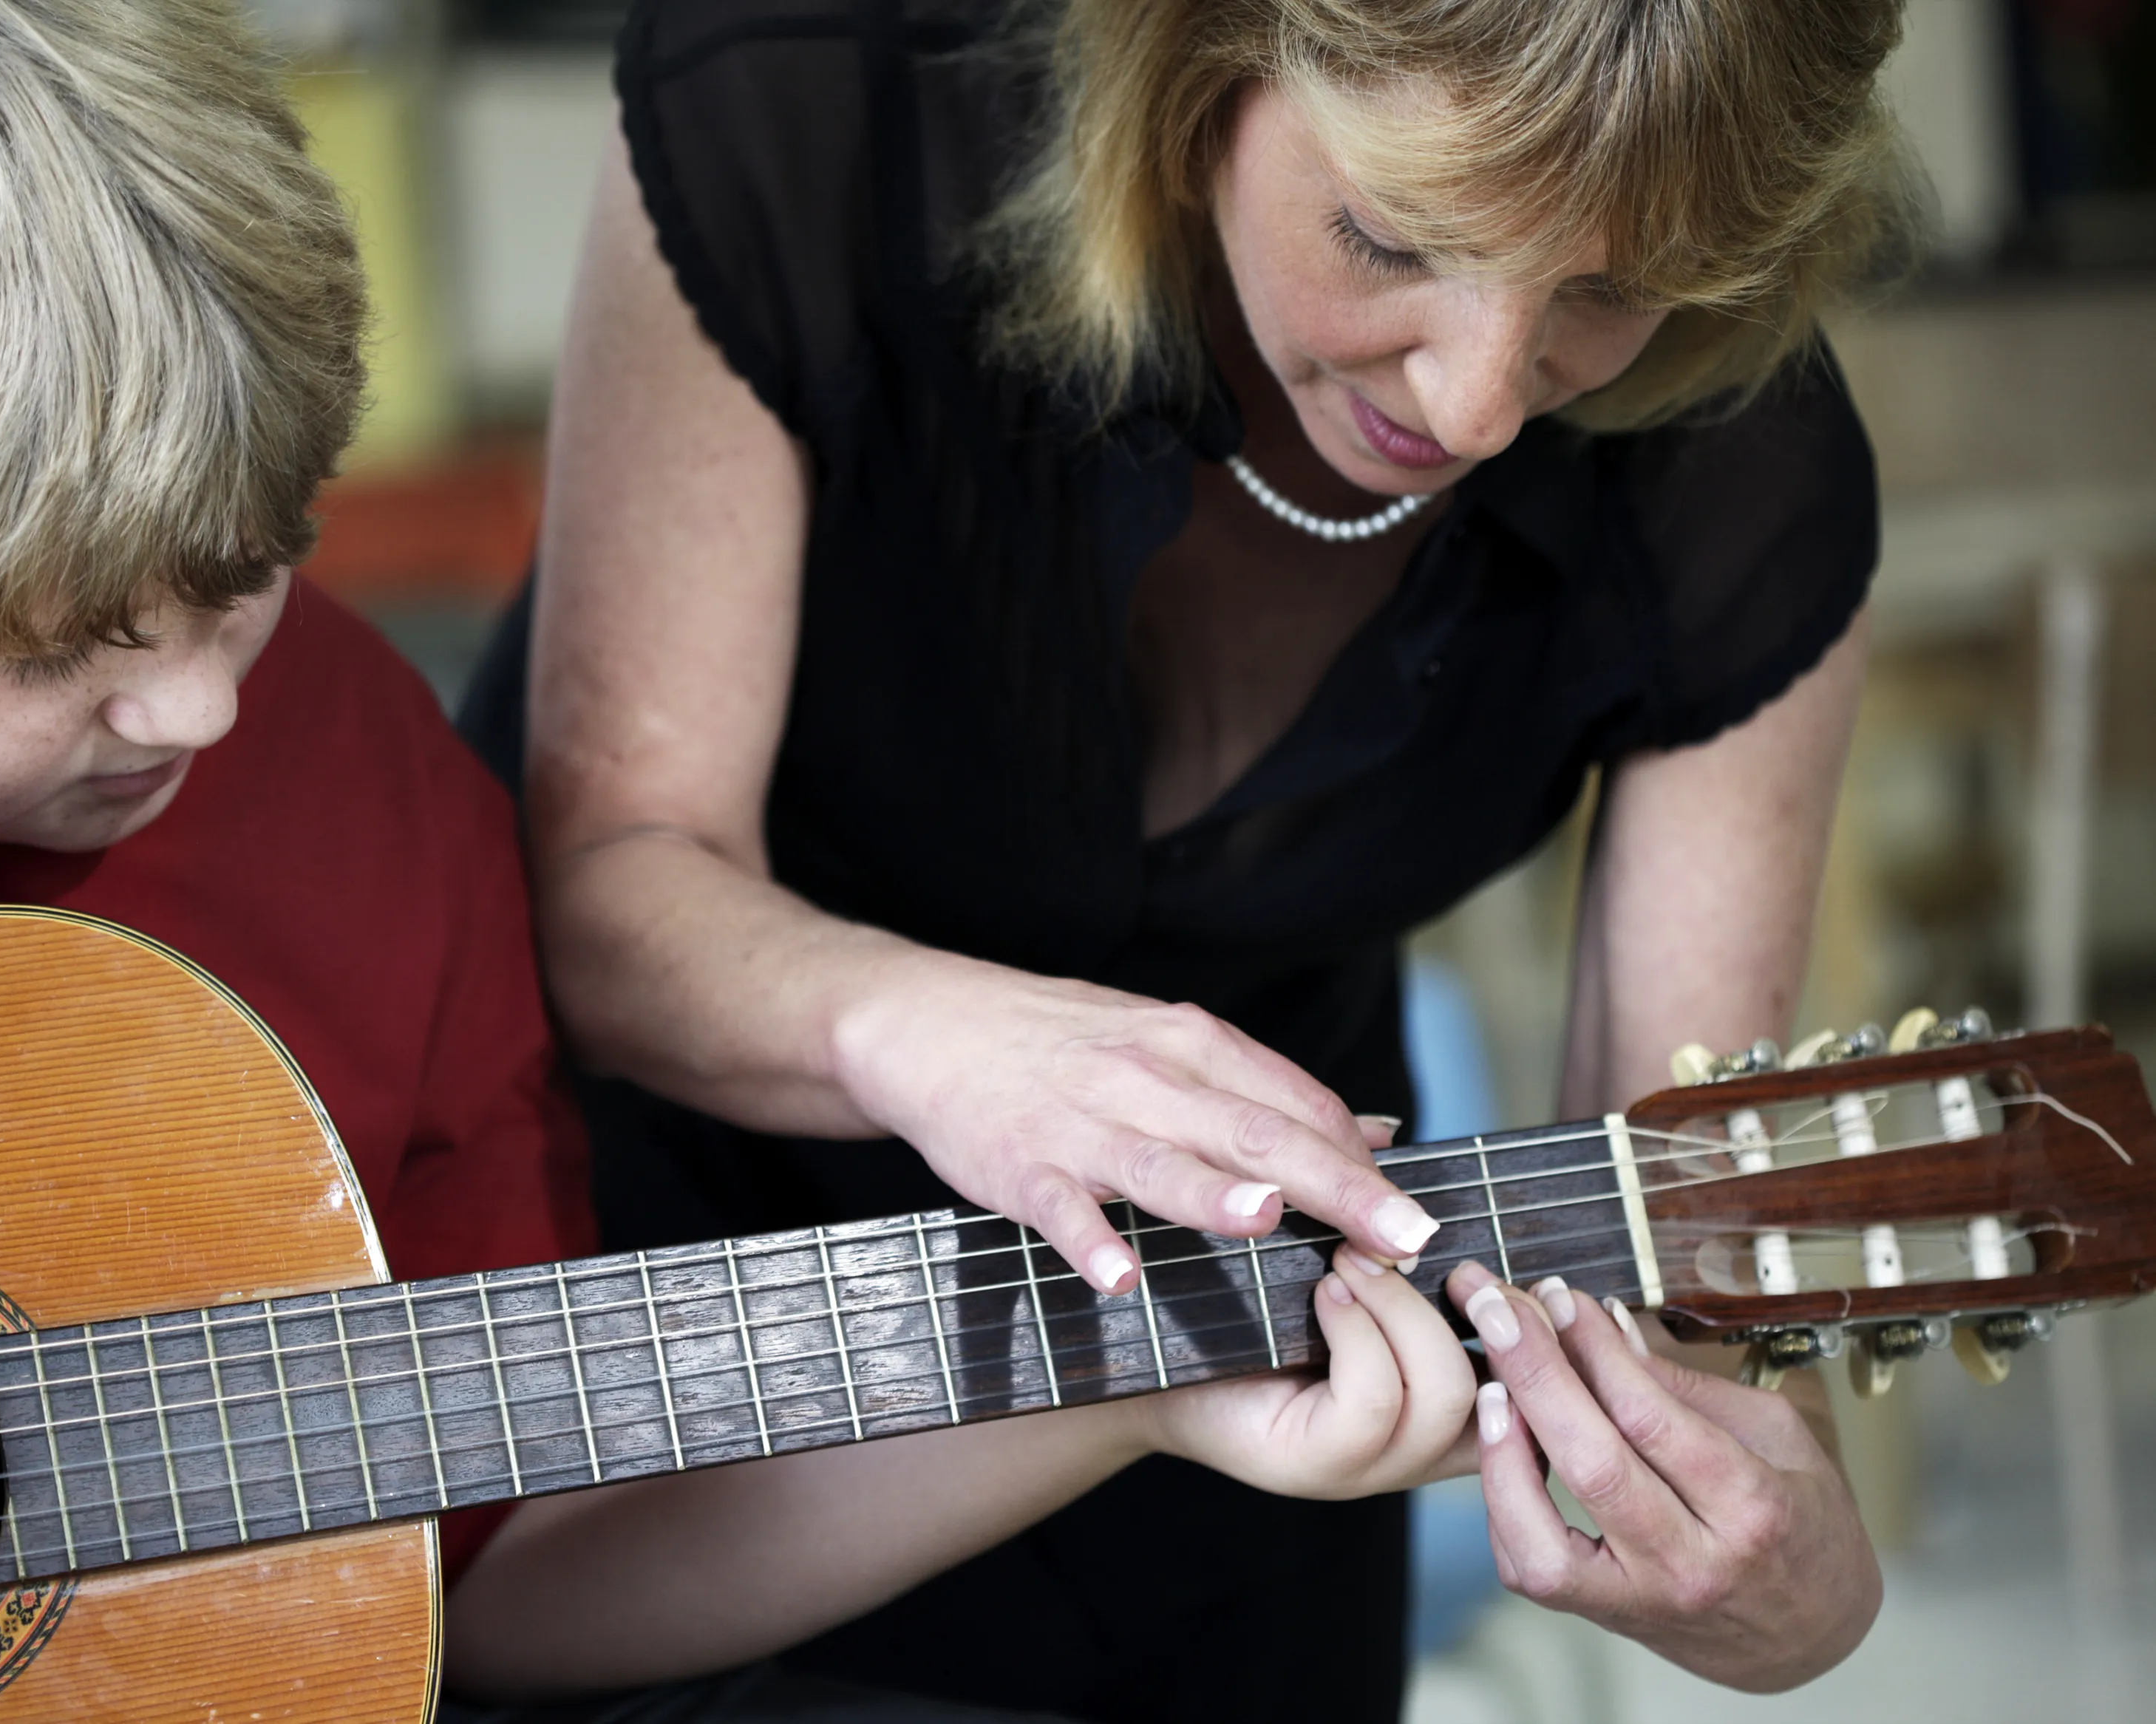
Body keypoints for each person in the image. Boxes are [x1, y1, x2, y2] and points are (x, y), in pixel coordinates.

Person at [0, 4, 1555, 1719]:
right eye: (50, 652)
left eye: (247, 568)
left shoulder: (378, 807)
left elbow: (509, 1572)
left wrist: (1125, 1380)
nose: (194, 712)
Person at [458, 0, 1911, 1715]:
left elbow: (1670, 1244)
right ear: (1199, 55)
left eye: (1606, 291)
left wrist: (1784, 1563)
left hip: (1248, 1392)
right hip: (645, 1360)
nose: (1478, 401)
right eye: (1392, 235)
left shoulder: (1745, 463)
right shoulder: (814, 110)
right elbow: (615, 875)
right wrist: (934, 1032)